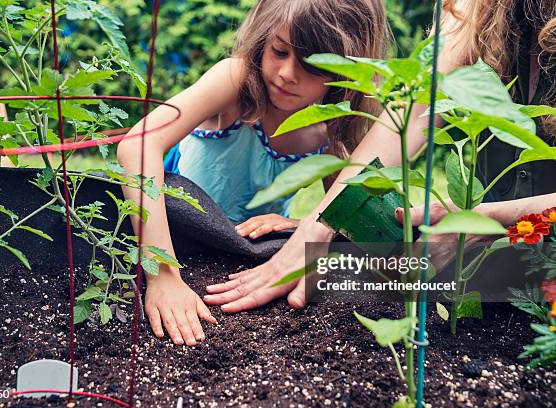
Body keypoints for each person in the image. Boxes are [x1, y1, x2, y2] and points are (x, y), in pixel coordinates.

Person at [203, 0, 556, 312]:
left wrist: (489, 217)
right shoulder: (481, 7)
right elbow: (419, 102)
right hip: (497, 274)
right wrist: (316, 227)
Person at [117, 0, 390, 345]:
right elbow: (137, 147)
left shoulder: (331, 124)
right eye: (280, 51)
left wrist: (300, 226)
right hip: (179, 233)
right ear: (265, 38)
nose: (288, 73)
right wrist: (163, 275)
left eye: (313, 65)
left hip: (251, 255)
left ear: (348, 71)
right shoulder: (236, 81)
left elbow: (348, 216)